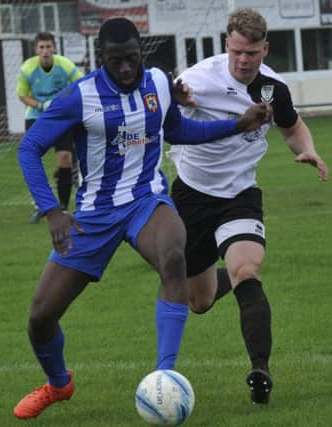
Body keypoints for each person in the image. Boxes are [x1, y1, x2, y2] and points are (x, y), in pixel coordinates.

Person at [13, 17, 271, 420]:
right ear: (102, 58)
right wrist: (52, 211)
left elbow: (180, 131)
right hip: (93, 216)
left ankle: (164, 376)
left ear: (141, 52)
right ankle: (59, 384)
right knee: (40, 318)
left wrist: (236, 125)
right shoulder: (79, 97)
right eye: (117, 61)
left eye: (133, 58)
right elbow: (29, 148)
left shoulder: (158, 84)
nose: (127, 68)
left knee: (173, 258)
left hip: (146, 202)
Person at [167, 8, 329, 405]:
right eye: (238, 52)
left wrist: (307, 150)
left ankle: (260, 371)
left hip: (240, 195)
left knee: (247, 268)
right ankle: (223, 276)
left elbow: (292, 127)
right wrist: (175, 100)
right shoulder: (196, 79)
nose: (244, 61)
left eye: (252, 54)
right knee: (199, 301)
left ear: (265, 50)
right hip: (191, 197)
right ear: (227, 45)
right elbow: (165, 116)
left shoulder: (274, 88)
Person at [16, 31, 84, 223]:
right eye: (41, 47)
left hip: (61, 116)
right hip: (36, 116)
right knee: (32, 158)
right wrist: (40, 105)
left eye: (48, 47)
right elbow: (22, 95)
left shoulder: (65, 65)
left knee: (65, 159)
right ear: (36, 50)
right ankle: (39, 205)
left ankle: (62, 207)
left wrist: (66, 102)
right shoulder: (27, 68)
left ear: (54, 48)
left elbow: (81, 84)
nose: (45, 51)